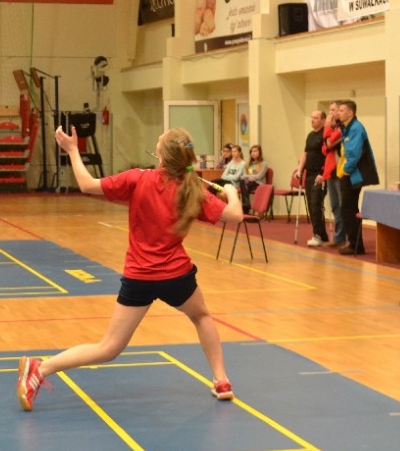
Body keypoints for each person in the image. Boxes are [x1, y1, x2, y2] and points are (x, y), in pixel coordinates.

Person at [17, 125, 245, 411]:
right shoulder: (192, 190)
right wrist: (231, 192)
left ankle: (40, 369)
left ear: (161, 155)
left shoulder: (139, 178)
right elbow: (235, 215)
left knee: (108, 348)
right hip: (176, 277)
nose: (157, 140)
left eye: (160, 140)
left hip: (140, 277)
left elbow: (87, 185)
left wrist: (73, 150)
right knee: (201, 316)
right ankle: (222, 381)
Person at [336, 100, 380, 255]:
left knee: (348, 209)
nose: (338, 113)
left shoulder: (356, 128)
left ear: (350, 113)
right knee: (348, 209)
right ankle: (354, 243)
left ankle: (356, 245)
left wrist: (346, 170)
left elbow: (354, 154)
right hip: (348, 174)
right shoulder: (346, 127)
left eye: (341, 110)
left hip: (352, 174)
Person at [296, 109, 328, 246]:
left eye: (316, 118)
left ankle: (318, 235)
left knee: (316, 204)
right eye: (312, 117)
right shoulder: (310, 135)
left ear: (323, 120)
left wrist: (323, 173)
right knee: (310, 205)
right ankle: (321, 235)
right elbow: (305, 154)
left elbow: (328, 156)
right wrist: (299, 170)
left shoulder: (325, 134)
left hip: (319, 175)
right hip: (309, 174)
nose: (312, 120)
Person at [321, 102, 346, 248]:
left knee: (343, 205)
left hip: (340, 171)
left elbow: (329, 143)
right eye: (329, 110)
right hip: (331, 170)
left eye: (333, 110)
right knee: (335, 205)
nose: (330, 113)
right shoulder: (334, 128)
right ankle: (339, 237)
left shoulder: (342, 128)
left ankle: (347, 237)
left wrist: (326, 127)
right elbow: (324, 148)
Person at [239, 144, 268, 212]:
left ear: (259, 152)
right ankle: (246, 205)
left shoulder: (264, 164)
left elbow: (259, 176)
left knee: (244, 185)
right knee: (243, 182)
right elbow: (243, 176)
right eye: (251, 151)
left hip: (258, 183)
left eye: (255, 151)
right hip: (248, 182)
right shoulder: (248, 163)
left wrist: (249, 177)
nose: (253, 153)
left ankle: (245, 206)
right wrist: (250, 177)